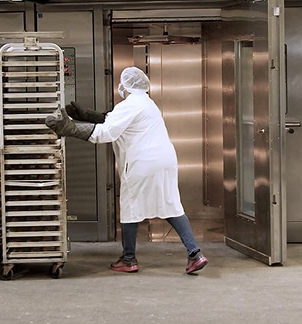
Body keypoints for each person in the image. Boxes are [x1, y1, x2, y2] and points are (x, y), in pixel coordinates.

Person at [45, 66, 208, 275]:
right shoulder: (147, 103)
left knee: (130, 205)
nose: (120, 86)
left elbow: (107, 132)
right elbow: (114, 120)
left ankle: (129, 259)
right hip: (165, 161)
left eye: (121, 83)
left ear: (127, 85)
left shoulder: (130, 104)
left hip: (143, 162)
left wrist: (69, 129)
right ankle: (195, 254)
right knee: (171, 205)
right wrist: (86, 115)